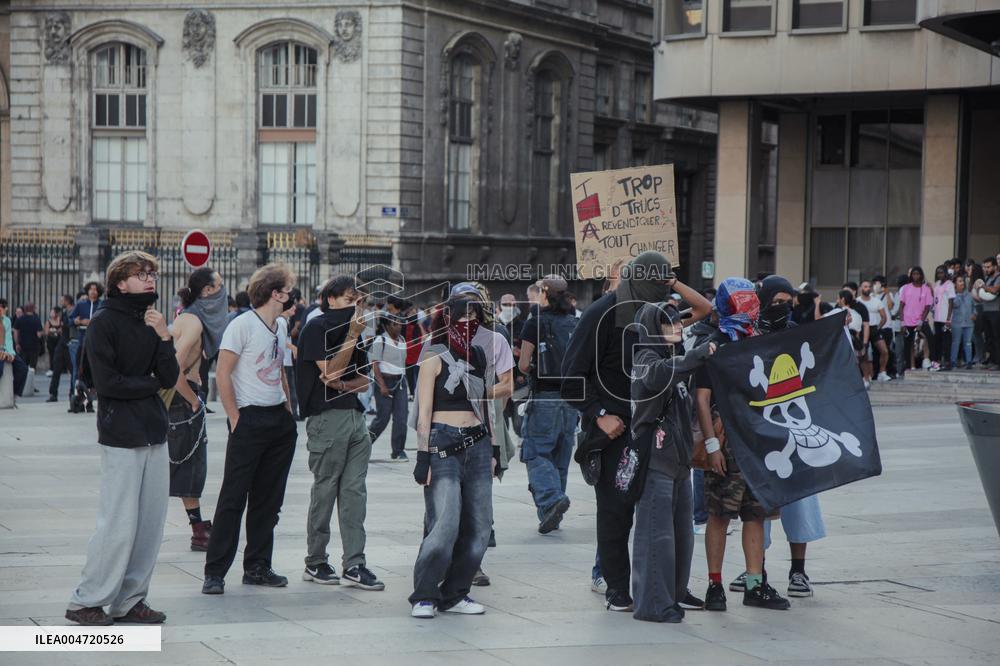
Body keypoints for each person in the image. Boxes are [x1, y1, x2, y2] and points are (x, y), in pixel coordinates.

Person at [561, 252, 708, 612]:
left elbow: (704, 309)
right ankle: (616, 586)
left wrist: (672, 282)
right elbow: (570, 377)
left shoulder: (660, 314)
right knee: (615, 511)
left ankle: (673, 586)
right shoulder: (601, 314)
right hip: (615, 429)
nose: (660, 288)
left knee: (668, 513)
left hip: (659, 429)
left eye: (663, 282)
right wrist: (598, 415)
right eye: (654, 281)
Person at [65, 251, 179, 626]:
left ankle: (130, 600)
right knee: (117, 522)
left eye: (152, 274)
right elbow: (107, 383)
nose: (150, 279)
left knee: (150, 524)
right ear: (120, 283)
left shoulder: (152, 321)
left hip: (154, 430)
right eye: (141, 274)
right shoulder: (103, 323)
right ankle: (86, 600)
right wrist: (149, 384)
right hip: (121, 432)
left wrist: (165, 336)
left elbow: (169, 376)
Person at [202, 264, 299, 595]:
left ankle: (257, 566)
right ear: (275, 293)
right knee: (233, 497)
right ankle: (215, 571)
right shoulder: (241, 325)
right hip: (249, 418)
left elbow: (280, 369)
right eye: (288, 289)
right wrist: (234, 417)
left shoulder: (281, 325)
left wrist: (288, 409)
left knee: (268, 500)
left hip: (278, 420)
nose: (292, 294)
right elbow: (223, 372)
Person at [696, 277, 790, 612]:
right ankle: (715, 585)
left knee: (756, 514)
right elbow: (702, 398)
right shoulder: (715, 344)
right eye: (743, 300)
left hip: (759, 441)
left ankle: (754, 584)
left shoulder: (759, 340)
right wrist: (711, 445)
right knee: (719, 514)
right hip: (727, 443)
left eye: (752, 300)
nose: (750, 307)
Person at [734, 276, 826, 599]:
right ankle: (755, 569)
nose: (782, 308)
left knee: (801, 502)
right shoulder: (748, 336)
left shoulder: (797, 335)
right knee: (757, 506)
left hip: (796, 431)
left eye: (788, 303)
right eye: (776, 302)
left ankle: (798, 571)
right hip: (760, 434)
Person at [296, 275, 385, 591]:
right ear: (330, 299)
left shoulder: (356, 331)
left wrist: (343, 385)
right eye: (350, 300)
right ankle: (316, 560)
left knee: (354, 492)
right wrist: (351, 336)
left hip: (355, 416)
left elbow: (363, 380)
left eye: (359, 301)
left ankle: (354, 564)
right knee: (325, 490)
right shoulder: (316, 328)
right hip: (326, 418)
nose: (356, 307)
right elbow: (330, 371)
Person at [630, 301, 716, 623]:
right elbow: (657, 376)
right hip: (656, 460)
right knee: (658, 536)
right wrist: (699, 354)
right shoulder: (645, 358)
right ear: (654, 328)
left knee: (681, 536)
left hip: (678, 461)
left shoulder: (671, 358)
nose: (678, 326)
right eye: (669, 322)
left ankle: (673, 595)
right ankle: (654, 604)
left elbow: (703, 309)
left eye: (678, 321)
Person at [409, 295, 493, 618]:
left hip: (478, 442)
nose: (468, 322)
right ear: (448, 318)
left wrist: (494, 449)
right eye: (462, 315)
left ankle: (456, 592)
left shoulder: (479, 354)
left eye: (474, 316)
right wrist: (422, 458)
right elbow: (424, 410)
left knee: (480, 526)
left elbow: (485, 405)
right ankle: (425, 595)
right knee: (444, 523)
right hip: (442, 443)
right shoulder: (433, 354)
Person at [166, 268, 228, 552]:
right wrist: (193, 399)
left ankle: (198, 528)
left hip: (184, 397)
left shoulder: (189, 317)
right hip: (183, 400)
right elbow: (172, 368)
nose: (223, 291)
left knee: (187, 467)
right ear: (207, 291)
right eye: (220, 286)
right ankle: (199, 531)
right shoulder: (193, 322)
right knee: (189, 467)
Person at [518, 275, 579, 534]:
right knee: (560, 457)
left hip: (545, 396)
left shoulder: (535, 322)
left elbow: (523, 364)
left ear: (544, 293)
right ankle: (551, 514)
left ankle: (552, 500)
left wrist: (532, 368)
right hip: (572, 399)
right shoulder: (576, 322)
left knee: (536, 452)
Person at [369, 307, 410, 461]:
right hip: (384, 382)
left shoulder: (402, 340)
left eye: (400, 324)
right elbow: (375, 365)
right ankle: (363, 445)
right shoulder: (381, 340)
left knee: (401, 419)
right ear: (387, 325)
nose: (398, 327)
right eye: (395, 324)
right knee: (383, 418)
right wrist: (382, 385)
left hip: (400, 383)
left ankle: (398, 451)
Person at [68, 282, 104, 411]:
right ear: (87, 291)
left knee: (94, 371)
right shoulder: (81, 305)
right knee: (80, 371)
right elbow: (70, 320)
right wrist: (78, 321)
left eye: (95, 289)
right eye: (90, 289)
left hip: (96, 342)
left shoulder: (101, 305)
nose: (93, 291)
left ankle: (90, 402)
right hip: (82, 342)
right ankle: (79, 399)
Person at [898, 267, 934, 376]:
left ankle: (928, 360)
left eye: (918, 274)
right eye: (913, 274)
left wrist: (921, 321)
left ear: (921, 275)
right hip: (907, 320)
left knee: (928, 338)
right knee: (909, 345)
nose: (915, 276)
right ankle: (911, 366)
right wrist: (902, 322)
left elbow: (927, 307)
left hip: (920, 320)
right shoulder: (906, 288)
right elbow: (901, 305)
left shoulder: (926, 289)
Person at [858, 280, 890, 383]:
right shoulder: (857, 301)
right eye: (865, 286)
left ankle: (882, 373)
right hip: (862, 330)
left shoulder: (876, 301)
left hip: (874, 329)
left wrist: (878, 327)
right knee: (863, 354)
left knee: (884, 351)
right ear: (860, 288)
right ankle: (865, 376)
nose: (867, 288)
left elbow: (884, 317)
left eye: (869, 287)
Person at [46, 295, 75, 402]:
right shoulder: (64, 312)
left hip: (70, 343)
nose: (60, 302)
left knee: (73, 370)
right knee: (56, 369)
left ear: (67, 301)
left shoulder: (74, 311)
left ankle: (73, 393)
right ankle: (53, 393)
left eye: (62, 300)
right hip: (62, 343)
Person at [0, 299, 29, 397]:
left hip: (6, 349)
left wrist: (11, 353)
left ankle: (14, 394)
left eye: (3, 308)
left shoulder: (7, 320)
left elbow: (8, 338)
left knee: (23, 369)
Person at [931, 265, 955, 371]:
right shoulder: (937, 284)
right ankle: (938, 362)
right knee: (937, 340)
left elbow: (951, 302)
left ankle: (947, 362)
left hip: (945, 317)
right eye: (938, 273)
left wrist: (949, 318)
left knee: (946, 341)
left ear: (945, 273)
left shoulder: (949, 284)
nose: (939, 274)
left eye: (941, 272)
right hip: (937, 317)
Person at [979, 257, 1000, 369]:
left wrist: (983, 287)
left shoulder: (999, 277)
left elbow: (995, 290)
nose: (986, 269)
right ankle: (991, 360)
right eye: (985, 267)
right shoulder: (987, 278)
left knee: (996, 337)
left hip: (996, 312)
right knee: (988, 338)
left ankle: (998, 362)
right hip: (986, 311)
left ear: (995, 266)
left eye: (988, 267)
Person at [950, 275, 976, 368]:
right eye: (960, 281)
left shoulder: (969, 295)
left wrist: (974, 314)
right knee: (956, 342)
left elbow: (974, 306)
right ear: (955, 284)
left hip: (969, 323)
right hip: (957, 323)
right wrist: (958, 294)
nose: (962, 283)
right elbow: (955, 304)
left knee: (968, 342)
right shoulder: (953, 295)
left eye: (962, 281)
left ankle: (969, 362)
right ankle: (953, 361)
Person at [12, 302, 43, 370]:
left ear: (25, 309)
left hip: (22, 345)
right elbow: (39, 335)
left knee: (23, 365)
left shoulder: (20, 319)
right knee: (32, 367)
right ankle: (31, 376)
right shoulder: (37, 319)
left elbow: (15, 332)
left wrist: (17, 343)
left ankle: (24, 376)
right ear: (33, 309)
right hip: (34, 346)